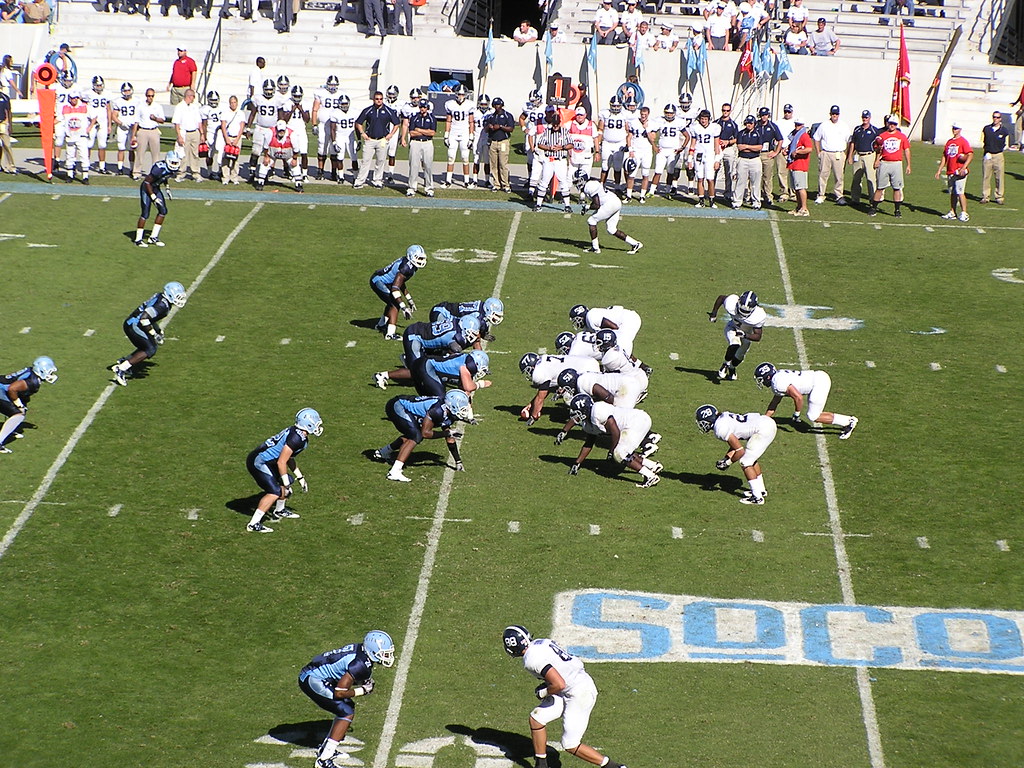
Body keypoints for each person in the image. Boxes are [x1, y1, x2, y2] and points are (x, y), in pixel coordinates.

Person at [501, 626, 628, 768]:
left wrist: (543, 692)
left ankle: (615, 767)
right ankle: (541, 764)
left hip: (579, 693)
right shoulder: (541, 642)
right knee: (536, 719)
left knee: (570, 744)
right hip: (573, 685)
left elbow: (559, 684)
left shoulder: (531, 660)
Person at [300, 631, 396, 768]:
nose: (387, 656)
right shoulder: (360, 664)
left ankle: (326, 749)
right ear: (373, 651)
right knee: (346, 712)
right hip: (313, 680)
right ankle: (323, 760)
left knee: (347, 706)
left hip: (317, 674)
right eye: (384, 653)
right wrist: (362, 690)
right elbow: (340, 693)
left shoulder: (361, 652)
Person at [244, 408, 322, 532]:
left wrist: (300, 477)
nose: (318, 425)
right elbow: (281, 462)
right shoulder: (297, 438)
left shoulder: (299, 435)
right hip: (259, 461)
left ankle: (279, 510)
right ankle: (253, 524)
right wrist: (284, 483)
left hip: (268, 461)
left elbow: (288, 458)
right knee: (275, 491)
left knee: (288, 481)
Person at [560, 393, 662, 487]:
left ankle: (650, 476)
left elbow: (615, 432)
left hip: (637, 421)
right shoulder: (588, 423)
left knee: (619, 453)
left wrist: (611, 451)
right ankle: (653, 466)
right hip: (632, 424)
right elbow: (589, 443)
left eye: (577, 412)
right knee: (623, 450)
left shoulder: (598, 412)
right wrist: (577, 463)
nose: (575, 416)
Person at [374, 390, 475, 482]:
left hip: (403, 406)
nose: (464, 409)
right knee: (416, 436)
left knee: (413, 434)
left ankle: (383, 452)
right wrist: (448, 433)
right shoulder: (437, 411)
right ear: (452, 405)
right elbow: (426, 433)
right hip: (397, 406)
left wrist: (458, 461)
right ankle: (394, 471)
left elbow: (450, 439)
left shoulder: (447, 412)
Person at [109, 280, 187, 386]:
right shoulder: (162, 305)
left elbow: (151, 319)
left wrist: (158, 330)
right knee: (150, 349)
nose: (180, 298)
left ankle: (125, 361)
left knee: (149, 345)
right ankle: (121, 369)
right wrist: (154, 334)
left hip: (134, 323)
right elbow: (144, 319)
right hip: (134, 325)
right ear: (170, 294)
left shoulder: (163, 300)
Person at [754, 362, 859, 439]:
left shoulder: (777, 383)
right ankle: (848, 421)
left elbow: (798, 397)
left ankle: (849, 421)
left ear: (767, 377)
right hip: (817, 378)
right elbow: (775, 402)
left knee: (813, 415)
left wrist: (796, 414)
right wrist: (763, 420)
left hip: (818, 383)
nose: (761, 382)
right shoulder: (778, 379)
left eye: (761, 379)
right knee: (813, 414)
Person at [696, 404, 776, 504]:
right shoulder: (723, 417)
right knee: (751, 458)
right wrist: (726, 458)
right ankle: (761, 490)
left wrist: (728, 463)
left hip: (763, 430)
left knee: (745, 462)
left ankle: (757, 498)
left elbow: (740, 451)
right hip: (765, 422)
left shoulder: (720, 428)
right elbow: (735, 445)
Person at [518, 352, 600, 425]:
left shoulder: (539, 372)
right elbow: (547, 390)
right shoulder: (543, 360)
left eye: (527, 371)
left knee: (570, 397)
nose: (528, 374)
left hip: (585, 370)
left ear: (531, 367)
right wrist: (531, 405)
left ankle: (592, 418)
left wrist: (533, 416)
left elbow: (541, 397)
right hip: (589, 362)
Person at [575, 171, 643, 255]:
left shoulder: (589, 186)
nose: (576, 184)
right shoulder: (591, 184)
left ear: (582, 180)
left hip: (610, 204)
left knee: (591, 221)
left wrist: (587, 207)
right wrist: (588, 207)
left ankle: (595, 248)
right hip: (615, 202)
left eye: (577, 181)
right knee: (611, 229)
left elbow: (597, 205)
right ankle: (635, 244)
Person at [0, 357, 57, 453]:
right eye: (49, 372)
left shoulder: (31, 373)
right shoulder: (32, 382)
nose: (51, 375)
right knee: (18, 415)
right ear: (42, 370)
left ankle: (8, 429)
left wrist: (22, 404)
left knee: (19, 410)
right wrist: (19, 405)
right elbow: (12, 389)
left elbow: (21, 394)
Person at [707, 289, 766, 380]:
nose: (742, 314)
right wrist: (714, 313)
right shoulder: (731, 303)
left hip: (746, 334)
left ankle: (732, 367)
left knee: (739, 357)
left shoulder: (758, 316)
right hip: (732, 327)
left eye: (746, 312)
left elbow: (758, 336)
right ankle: (725, 365)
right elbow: (721, 298)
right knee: (735, 343)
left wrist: (745, 335)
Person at [371, 244, 427, 339]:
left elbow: (401, 282)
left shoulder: (410, 265)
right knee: (394, 304)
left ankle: (380, 325)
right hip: (379, 281)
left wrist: (409, 300)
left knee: (391, 302)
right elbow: (395, 288)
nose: (420, 261)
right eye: (418, 258)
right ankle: (390, 334)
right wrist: (404, 308)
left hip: (386, 282)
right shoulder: (406, 268)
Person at [130, 151, 178, 248]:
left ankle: (153, 237)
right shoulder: (158, 168)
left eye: (175, 163)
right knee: (145, 214)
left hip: (155, 188)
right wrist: (153, 196)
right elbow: (147, 182)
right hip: (146, 189)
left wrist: (167, 188)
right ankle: (138, 239)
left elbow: (165, 177)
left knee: (163, 211)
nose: (174, 165)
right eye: (172, 162)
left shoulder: (171, 169)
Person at [353, 91, 400, 188]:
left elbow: (397, 123)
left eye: (381, 99)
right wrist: (362, 133)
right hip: (370, 139)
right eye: (377, 99)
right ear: (374, 100)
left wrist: (390, 134)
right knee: (365, 161)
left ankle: (377, 180)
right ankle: (360, 180)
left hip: (382, 140)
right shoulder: (368, 110)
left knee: (380, 161)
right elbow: (358, 123)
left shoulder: (388, 110)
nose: (379, 101)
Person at [869, 115, 911, 217]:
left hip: (896, 163)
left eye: (894, 124)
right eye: (891, 123)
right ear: (888, 124)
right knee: (880, 187)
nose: (892, 126)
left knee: (897, 188)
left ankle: (897, 210)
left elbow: (906, 150)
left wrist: (908, 164)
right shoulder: (882, 136)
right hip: (885, 163)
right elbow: (877, 149)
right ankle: (874, 208)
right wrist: (877, 158)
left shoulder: (902, 136)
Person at [533, 105, 572, 212]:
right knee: (544, 182)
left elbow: (571, 144)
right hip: (549, 159)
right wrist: (549, 148)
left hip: (560, 160)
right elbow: (540, 144)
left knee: (563, 182)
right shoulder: (547, 131)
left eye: (556, 124)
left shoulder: (564, 131)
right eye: (553, 124)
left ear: (559, 123)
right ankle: (538, 204)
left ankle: (567, 206)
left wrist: (562, 147)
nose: (554, 126)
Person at [568, 303, 642, 355]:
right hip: (626, 321)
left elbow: (614, 327)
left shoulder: (591, 317)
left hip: (628, 321)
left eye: (577, 320)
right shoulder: (588, 325)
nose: (577, 324)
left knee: (620, 349)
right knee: (618, 349)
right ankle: (642, 367)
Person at [813, 104, 850, 205]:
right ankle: (821, 194)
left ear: (839, 114)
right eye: (833, 113)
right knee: (823, 175)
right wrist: (818, 152)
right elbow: (816, 138)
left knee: (839, 176)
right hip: (826, 153)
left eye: (836, 114)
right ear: (830, 114)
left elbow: (849, 140)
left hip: (838, 153)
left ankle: (839, 195)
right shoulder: (824, 125)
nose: (835, 116)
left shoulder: (844, 125)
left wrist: (846, 154)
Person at [936, 121, 972, 222]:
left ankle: (964, 212)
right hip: (951, 170)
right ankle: (953, 212)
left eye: (956, 128)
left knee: (960, 192)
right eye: (953, 128)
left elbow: (970, 155)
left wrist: (964, 167)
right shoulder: (949, 142)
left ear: (960, 129)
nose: (954, 130)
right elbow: (944, 156)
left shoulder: (963, 141)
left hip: (959, 171)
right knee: (952, 192)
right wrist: (939, 170)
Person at [255, 119, 304, 191]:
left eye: (283, 130)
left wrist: (295, 159)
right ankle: (260, 183)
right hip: (273, 154)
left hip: (288, 155)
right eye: (279, 130)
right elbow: (265, 146)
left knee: (295, 166)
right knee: (265, 163)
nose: (281, 132)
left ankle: (298, 184)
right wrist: (266, 156)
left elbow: (296, 149)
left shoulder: (292, 134)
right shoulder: (270, 132)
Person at [689, 108, 722, 208]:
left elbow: (716, 145)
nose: (703, 121)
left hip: (710, 156)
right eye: (702, 118)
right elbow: (693, 144)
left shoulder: (714, 127)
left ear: (709, 119)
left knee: (710, 179)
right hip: (699, 155)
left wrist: (717, 159)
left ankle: (712, 200)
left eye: (705, 119)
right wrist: (690, 158)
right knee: (700, 179)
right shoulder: (695, 127)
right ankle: (701, 200)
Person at [845, 109, 880, 205]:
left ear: (870, 118)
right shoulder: (857, 129)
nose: (865, 119)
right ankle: (855, 199)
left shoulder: (874, 130)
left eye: (866, 117)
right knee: (856, 178)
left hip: (869, 155)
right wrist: (850, 156)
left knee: (871, 179)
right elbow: (853, 143)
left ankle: (873, 199)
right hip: (858, 155)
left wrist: (877, 159)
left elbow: (878, 147)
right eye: (863, 117)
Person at [443, 84, 474, 188]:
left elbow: (471, 122)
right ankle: (448, 181)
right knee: (451, 156)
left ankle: (466, 181)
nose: (461, 96)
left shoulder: (470, 104)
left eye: (462, 94)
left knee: (465, 157)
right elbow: (448, 120)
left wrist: (471, 135)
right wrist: (446, 134)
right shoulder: (450, 104)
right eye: (459, 94)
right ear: (456, 94)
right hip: (453, 133)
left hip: (464, 132)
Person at [60, 91, 95, 184]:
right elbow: (59, 119)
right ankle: (69, 175)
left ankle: (85, 176)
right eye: (72, 98)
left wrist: (90, 127)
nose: (74, 100)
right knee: (69, 155)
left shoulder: (84, 107)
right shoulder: (65, 108)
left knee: (84, 156)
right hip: (70, 135)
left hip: (81, 136)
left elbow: (94, 117)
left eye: (76, 98)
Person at [404, 98, 436, 196]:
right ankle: (411, 187)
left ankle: (429, 188)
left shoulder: (432, 118)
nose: (422, 109)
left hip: (427, 143)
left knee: (428, 166)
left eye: (424, 107)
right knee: (413, 165)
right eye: (421, 107)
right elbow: (412, 133)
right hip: (415, 142)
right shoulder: (414, 117)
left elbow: (432, 132)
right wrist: (424, 131)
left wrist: (420, 130)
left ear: (427, 107)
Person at [132, 88, 165, 180]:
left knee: (156, 154)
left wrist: (155, 118)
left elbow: (162, 120)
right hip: (142, 131)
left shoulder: (158, 106)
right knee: (140, 153)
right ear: (146, 96)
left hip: (153, 130)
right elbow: (136, 122)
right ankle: (136, 172)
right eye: (148, 96)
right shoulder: (140, 106)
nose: (150, 98)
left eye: (152, 96)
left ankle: (156, 173)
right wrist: (133, 136)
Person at [171, 88, 202, 182]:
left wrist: (202, 134)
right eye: (193, 96)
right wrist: (179, 135)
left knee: (195, 154)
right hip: (184, 132)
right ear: (189, 96)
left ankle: (195, 173)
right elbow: (176, 123)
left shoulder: (195, 107)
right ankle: (181, 173)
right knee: (182, 154)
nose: (194, 99)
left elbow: (199, 121)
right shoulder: (180, 107)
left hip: (194, 132)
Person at [485, 97, 515, 193]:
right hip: (493, 141)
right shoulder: (491, 116)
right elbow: (486, 129)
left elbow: (511, 128)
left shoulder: (507, 115)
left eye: (498, 105)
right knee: (493, 164)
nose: (497, 107)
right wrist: (489, 126)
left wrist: (501, 127)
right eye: (495, 105)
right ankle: (496, 184)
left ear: (502, 105)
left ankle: (506, 184)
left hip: (503, 141)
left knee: (503, 164)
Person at [785, 114, 813, 216]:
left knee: (801, 187)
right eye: (796, 124)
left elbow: (809, 148)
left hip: (800, 165)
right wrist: (787, 151)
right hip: (793, 164)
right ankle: (798, 207)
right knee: (796, 188)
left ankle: (804, 208)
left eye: (799, 125)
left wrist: (797, 153)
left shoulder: (804, 135)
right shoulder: (795, 135)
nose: (797, 126)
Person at [84, 76, 112, 175]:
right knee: (89, 144)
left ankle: (102, 167)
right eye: (97, 85)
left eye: (100, 85)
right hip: (92, 122)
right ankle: (85, 164)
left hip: (103, 121)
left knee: (102, 145)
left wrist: (109, 124)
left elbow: (108, 109)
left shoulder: (107, 94)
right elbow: (83, 106)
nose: (99, 87)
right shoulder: (88, 93)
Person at [733, 114, 762, 209]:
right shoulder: (741, 133)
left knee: (755, 182)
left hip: (755, 159)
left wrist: (747, 147)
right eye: (747, 123)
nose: (749, 125)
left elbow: (759, 147)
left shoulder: (758, 133)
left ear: (754, 124)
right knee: (740, 181)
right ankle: (737, 201)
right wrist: (750, 148)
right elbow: (740, 147)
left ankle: (756, 202)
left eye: (751, 123)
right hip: (743, 159)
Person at [980, 110, 1009, 204]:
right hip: (988, 154)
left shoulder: (1004, 130)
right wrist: (986, 152)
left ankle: (999, 197)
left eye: (997, 117)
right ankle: (985, 196)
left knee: (999, 177)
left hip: (998, 155)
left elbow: (1006, 143)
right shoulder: (987, 129)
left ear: (1000, 119)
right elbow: (983, 141)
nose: (995, 119)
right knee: (986, 176)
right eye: (994, 117)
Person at [110, 82, 139, 177]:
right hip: (122, 127)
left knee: (132, 148)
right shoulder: (118, 101)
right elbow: (113, 115)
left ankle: (131, 168)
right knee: (121, 147)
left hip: (132, 127)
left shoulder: (137, 101)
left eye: (128, 90)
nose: (127, 92)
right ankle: (120, 168)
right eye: (125, 90)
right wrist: (121, 123)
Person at [756, 107, 783, 206]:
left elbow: (780, 139)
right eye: (762, 115)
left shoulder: (772, 126)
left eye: (765, 115)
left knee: (767, 176)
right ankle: (755, 195)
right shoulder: (755, 125)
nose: (764, 117)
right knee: (755, 176)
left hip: (768, 153)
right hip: (757, 153)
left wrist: (776, 152)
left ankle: (768, 196)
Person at [218, 95, 247, 184]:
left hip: (237, 138)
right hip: (228, 137)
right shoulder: (225, 112)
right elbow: (223, 125)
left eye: (234, 102)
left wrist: (237, 139)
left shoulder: (241, 113)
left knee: (235, 158)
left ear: (237, 103)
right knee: (225, 158)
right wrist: (226, 138)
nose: (233, 104)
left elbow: (242, 127)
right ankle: (225, 177)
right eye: (231, 102)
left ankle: (234, 177)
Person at [470, 93, 490, 187]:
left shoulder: (491, 113)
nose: (484, 106)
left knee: (487, 160)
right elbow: (471, 124)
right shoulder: (475, 112)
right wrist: (471, 136)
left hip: (487, 138)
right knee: (476, 159)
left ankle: (487, 180)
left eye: (485, 104)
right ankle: (474, 180)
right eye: (482, 104)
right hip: (477, 137)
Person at [0, 85, 14, 174]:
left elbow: (9, 111)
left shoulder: (5, 97)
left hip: (3, 123)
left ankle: (11, 166)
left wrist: (10, 126)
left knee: (7, 145)